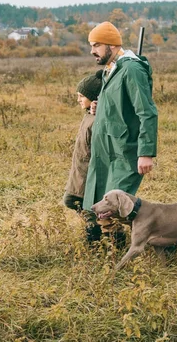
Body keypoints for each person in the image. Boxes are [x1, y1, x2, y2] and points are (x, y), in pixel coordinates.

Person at [82, 21, 159, 247]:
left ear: (112, 45)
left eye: (96, 45)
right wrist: (98, 106)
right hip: (106, 150)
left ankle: (163, 239)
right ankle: (100, 250)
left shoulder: (132, 70)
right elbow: (118, 104)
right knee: (100, 204)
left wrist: (145, 153)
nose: (92, 50)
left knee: (117, 205)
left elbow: (147, 113)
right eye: (91, 45)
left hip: (125, 152)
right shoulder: (112, 68)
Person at [63, 70, 105, 243]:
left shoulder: (98, 119)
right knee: (73, 200)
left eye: (82, 96)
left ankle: (96, 236)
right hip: (79, 170)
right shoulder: (89, 114)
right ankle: (98, 230)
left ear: (94, 98)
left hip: (89, 172)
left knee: (76, 202)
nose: (78, 99)